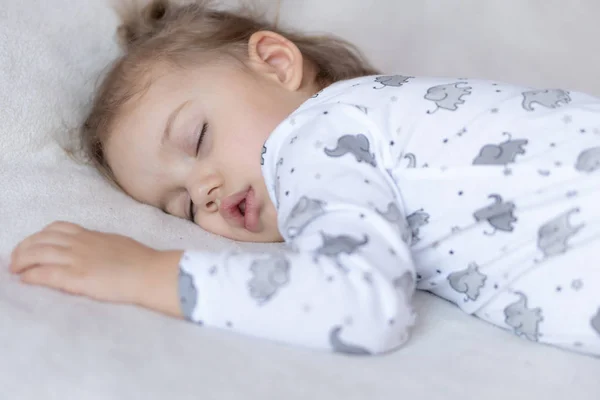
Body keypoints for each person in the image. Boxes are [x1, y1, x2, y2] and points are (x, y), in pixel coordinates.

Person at [9, 0, 600, 357]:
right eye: (182, 209)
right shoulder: (394, 119)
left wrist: (145, 271)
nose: (205, 192)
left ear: (275, 62)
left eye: (197, 139)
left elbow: (360, 303)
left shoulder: (317, 135)